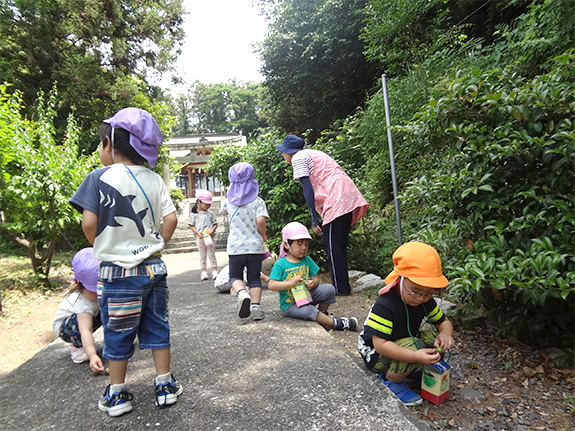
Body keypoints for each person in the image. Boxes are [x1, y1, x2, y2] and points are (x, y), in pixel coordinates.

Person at [69, 107, 182, 417]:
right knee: (158, 326)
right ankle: (164, 385)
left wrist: (104, 245)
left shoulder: (98, 177)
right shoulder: (155, 179)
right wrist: (157, 244)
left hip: (118, 274)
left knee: (118, 332)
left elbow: (89, 223)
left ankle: (117, 394)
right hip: (153, 268)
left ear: (109, 143)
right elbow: (170, 219)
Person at [357, 242, 454, 407]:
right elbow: (380, 345)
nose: (421, 298)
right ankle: (393, 380)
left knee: (432, 338)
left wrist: (445, 334)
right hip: (376, 354)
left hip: (402, 342)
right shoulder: (385, 305)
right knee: (415, 345)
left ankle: (410, 369)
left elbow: (444, 322)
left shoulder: (425, 301)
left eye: (429, 293)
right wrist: (416, 357)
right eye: (415, 291)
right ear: (400, 279)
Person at [276, 134, 369, 296]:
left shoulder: (298, 158)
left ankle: (341, 289)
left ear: (288, 152)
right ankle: (343, 286)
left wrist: (314, 220)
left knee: (332, 245)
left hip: (336, 197)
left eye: (283, 152)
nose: (283, 155)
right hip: (346, 194)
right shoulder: (312, 153)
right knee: (338, 244)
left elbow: (308, 190)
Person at [268, 222, 358, 331]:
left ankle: (323, 315)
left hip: (307, 296)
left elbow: (315, 278)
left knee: (329, 289)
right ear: (287, 244)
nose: (304, 248)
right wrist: (291, 283)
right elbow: (271, 285)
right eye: (299, 244)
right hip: (291, 305)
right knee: (309, 310)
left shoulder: (307, 260)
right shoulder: (280, 265)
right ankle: (337, 324)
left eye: (306, 244)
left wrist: (313, 283)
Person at [219, 162, 269, 320]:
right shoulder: (258, 201)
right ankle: (256, 308)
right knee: (254, 278)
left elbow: (222, 212)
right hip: (254, 247)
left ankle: (242, 293)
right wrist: (264, 235)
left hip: (235, 248)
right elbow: (261, 220)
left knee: (235, 277)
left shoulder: (228, 201)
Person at [53, 247, 104, 373]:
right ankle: (78, 348)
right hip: (67, 327)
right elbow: (85, 330)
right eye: (94, 290)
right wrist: (92, 355)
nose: (99, 292)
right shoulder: (81, 302)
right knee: (80, 324)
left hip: (91, 317)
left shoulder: (96, 295)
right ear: (80, 285)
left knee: (109, 309)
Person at [188, 189, 218, 280]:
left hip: (209, 238)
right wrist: (197, 233)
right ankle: (204, 271)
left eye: (209, 204)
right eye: (206, 203)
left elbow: (215, 223)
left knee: (211, 253)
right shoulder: (194, 215)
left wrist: (212, 230)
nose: (208, 205)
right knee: (202, 255)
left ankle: (214, 270)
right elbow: (191, 225)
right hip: (200, 238)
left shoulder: (211, 214)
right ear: (199, 202)